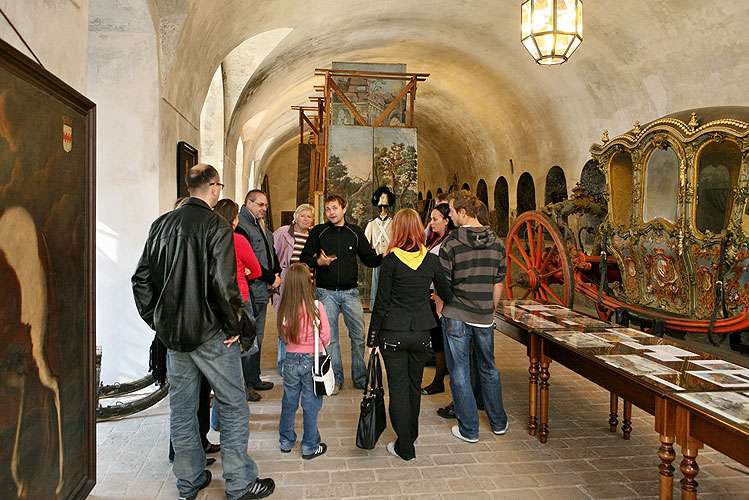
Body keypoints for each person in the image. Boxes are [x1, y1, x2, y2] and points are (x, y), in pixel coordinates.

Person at [132, 164, 274, 500]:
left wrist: (159, 320)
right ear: (213, 187)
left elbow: (141, 280)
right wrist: (238, 326)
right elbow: (224, 286)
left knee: (181, 408)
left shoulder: (161, 225)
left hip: (176, 336)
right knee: (233, 403)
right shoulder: (216, 226)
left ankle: (190, 480)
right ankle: (239, 483)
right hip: (212, 334)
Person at [367, 209, 453, 461]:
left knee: (398, 388)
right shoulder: (431, 261)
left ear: (398, 230)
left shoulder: (390, 261)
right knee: (414, 387)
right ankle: (410, 436)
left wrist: (372, 339)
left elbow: (381, 303)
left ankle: (405, 445)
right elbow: (446, 293)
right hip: (421, 334)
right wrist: (435, 308)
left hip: (393, 333)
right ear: (418, 229)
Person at [437, 189, 509, 443]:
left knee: (459, 371)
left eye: (453, 211)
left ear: (463, 212)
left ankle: (469, 429)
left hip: (456, 314)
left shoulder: (452, 242)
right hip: (484, 315)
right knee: (488, 368)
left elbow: (442, 284)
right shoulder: (497, 242)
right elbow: (499, 281)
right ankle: (498, 422)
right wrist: (489, 308)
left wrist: (440, 312)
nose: (451, 215)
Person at [300, 194, 382, 393]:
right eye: (328, 209)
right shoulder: (319, 232)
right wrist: (318, 262)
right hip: (326, 293)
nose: (331, 212)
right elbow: (304, 257)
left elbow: (369, 258)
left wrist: (386, 257)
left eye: (335, 208)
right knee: (331, 339)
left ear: (344, 209)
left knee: (358, 337)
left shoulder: (354, 232)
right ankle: (335, 379)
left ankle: (360, 377)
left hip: (351, 293)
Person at [211, 198, 263, 430]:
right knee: (242, 356)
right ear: (233, 218)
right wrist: (246, 275)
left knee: (223, 362)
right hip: (239, 298)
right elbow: (257, 269)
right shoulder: (237, 239)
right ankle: (236, 414)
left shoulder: (209, 238)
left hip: (215, 302)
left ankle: (218, 420)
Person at [276, 263, 330, 460]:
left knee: (289, 401)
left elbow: (283, 335)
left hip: (290, 359)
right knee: (311, 403)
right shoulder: (317, 307)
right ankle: (309, 444)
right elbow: (325, 336)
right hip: (312, 359)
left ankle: (286, 440)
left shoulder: (285, 308)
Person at [236, 189, 281, 401]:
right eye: (260, 205)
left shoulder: (259, 223)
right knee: (250, 338)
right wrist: (271, 277)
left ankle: (254, 377)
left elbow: (268, 251)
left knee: (259, 335)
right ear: (248, 203)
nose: (264, 208)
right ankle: (246, 384)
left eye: (265, 205)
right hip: (252, 288)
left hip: (261, 288)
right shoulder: (242, 227)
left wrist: (276, 272)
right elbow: (251, 261)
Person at [272, 203, 315, 374]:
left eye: (309, 216)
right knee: (285, 322)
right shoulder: (283, 233)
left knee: (303, 322)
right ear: (295, 217)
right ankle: (284, 362)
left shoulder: (312, 236)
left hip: (307, 285)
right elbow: (272, 254)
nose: (306, 218)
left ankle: (300, 359)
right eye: (302, 215)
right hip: (287, 284)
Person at [421, 203, 455, 396]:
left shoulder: (449, 242)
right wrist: (428, 228)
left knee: (441, 340)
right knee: (436, 338)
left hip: (439, 297)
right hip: (431, 294)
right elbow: (420, 239)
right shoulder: (434, 238)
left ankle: (439, 380)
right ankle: (439, 379)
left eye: (435, 219)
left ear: (447, 220)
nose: (431, 223)